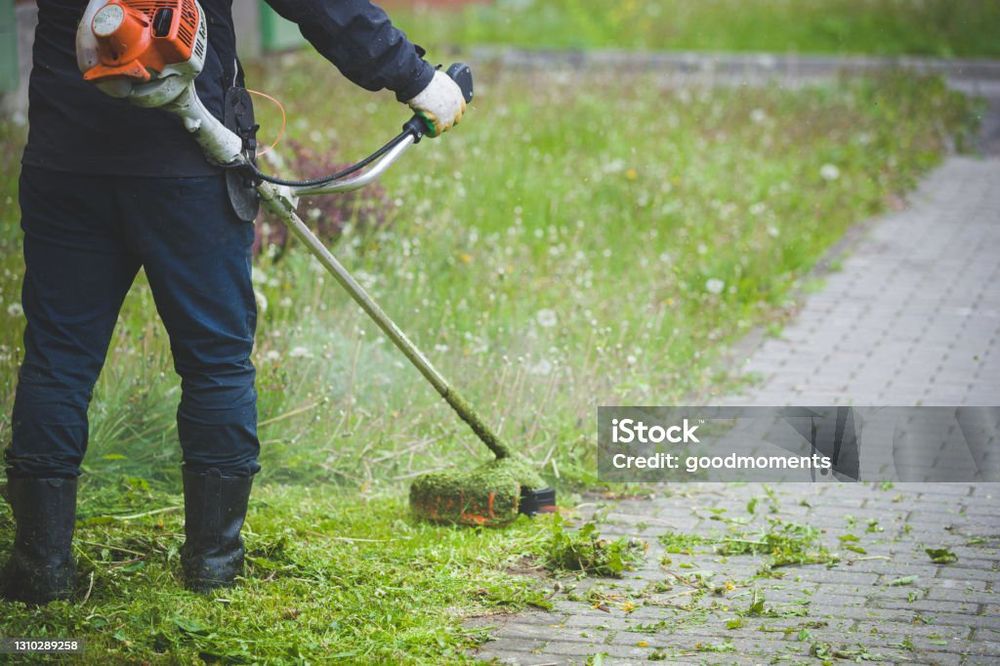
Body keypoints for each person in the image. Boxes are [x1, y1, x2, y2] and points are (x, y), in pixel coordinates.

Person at [1, 0, 466, 604]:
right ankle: (214, 565)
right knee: (215, 362)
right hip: (188, 170)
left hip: (67, 155)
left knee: (56, 361)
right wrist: (418, 79)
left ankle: (40, 567)